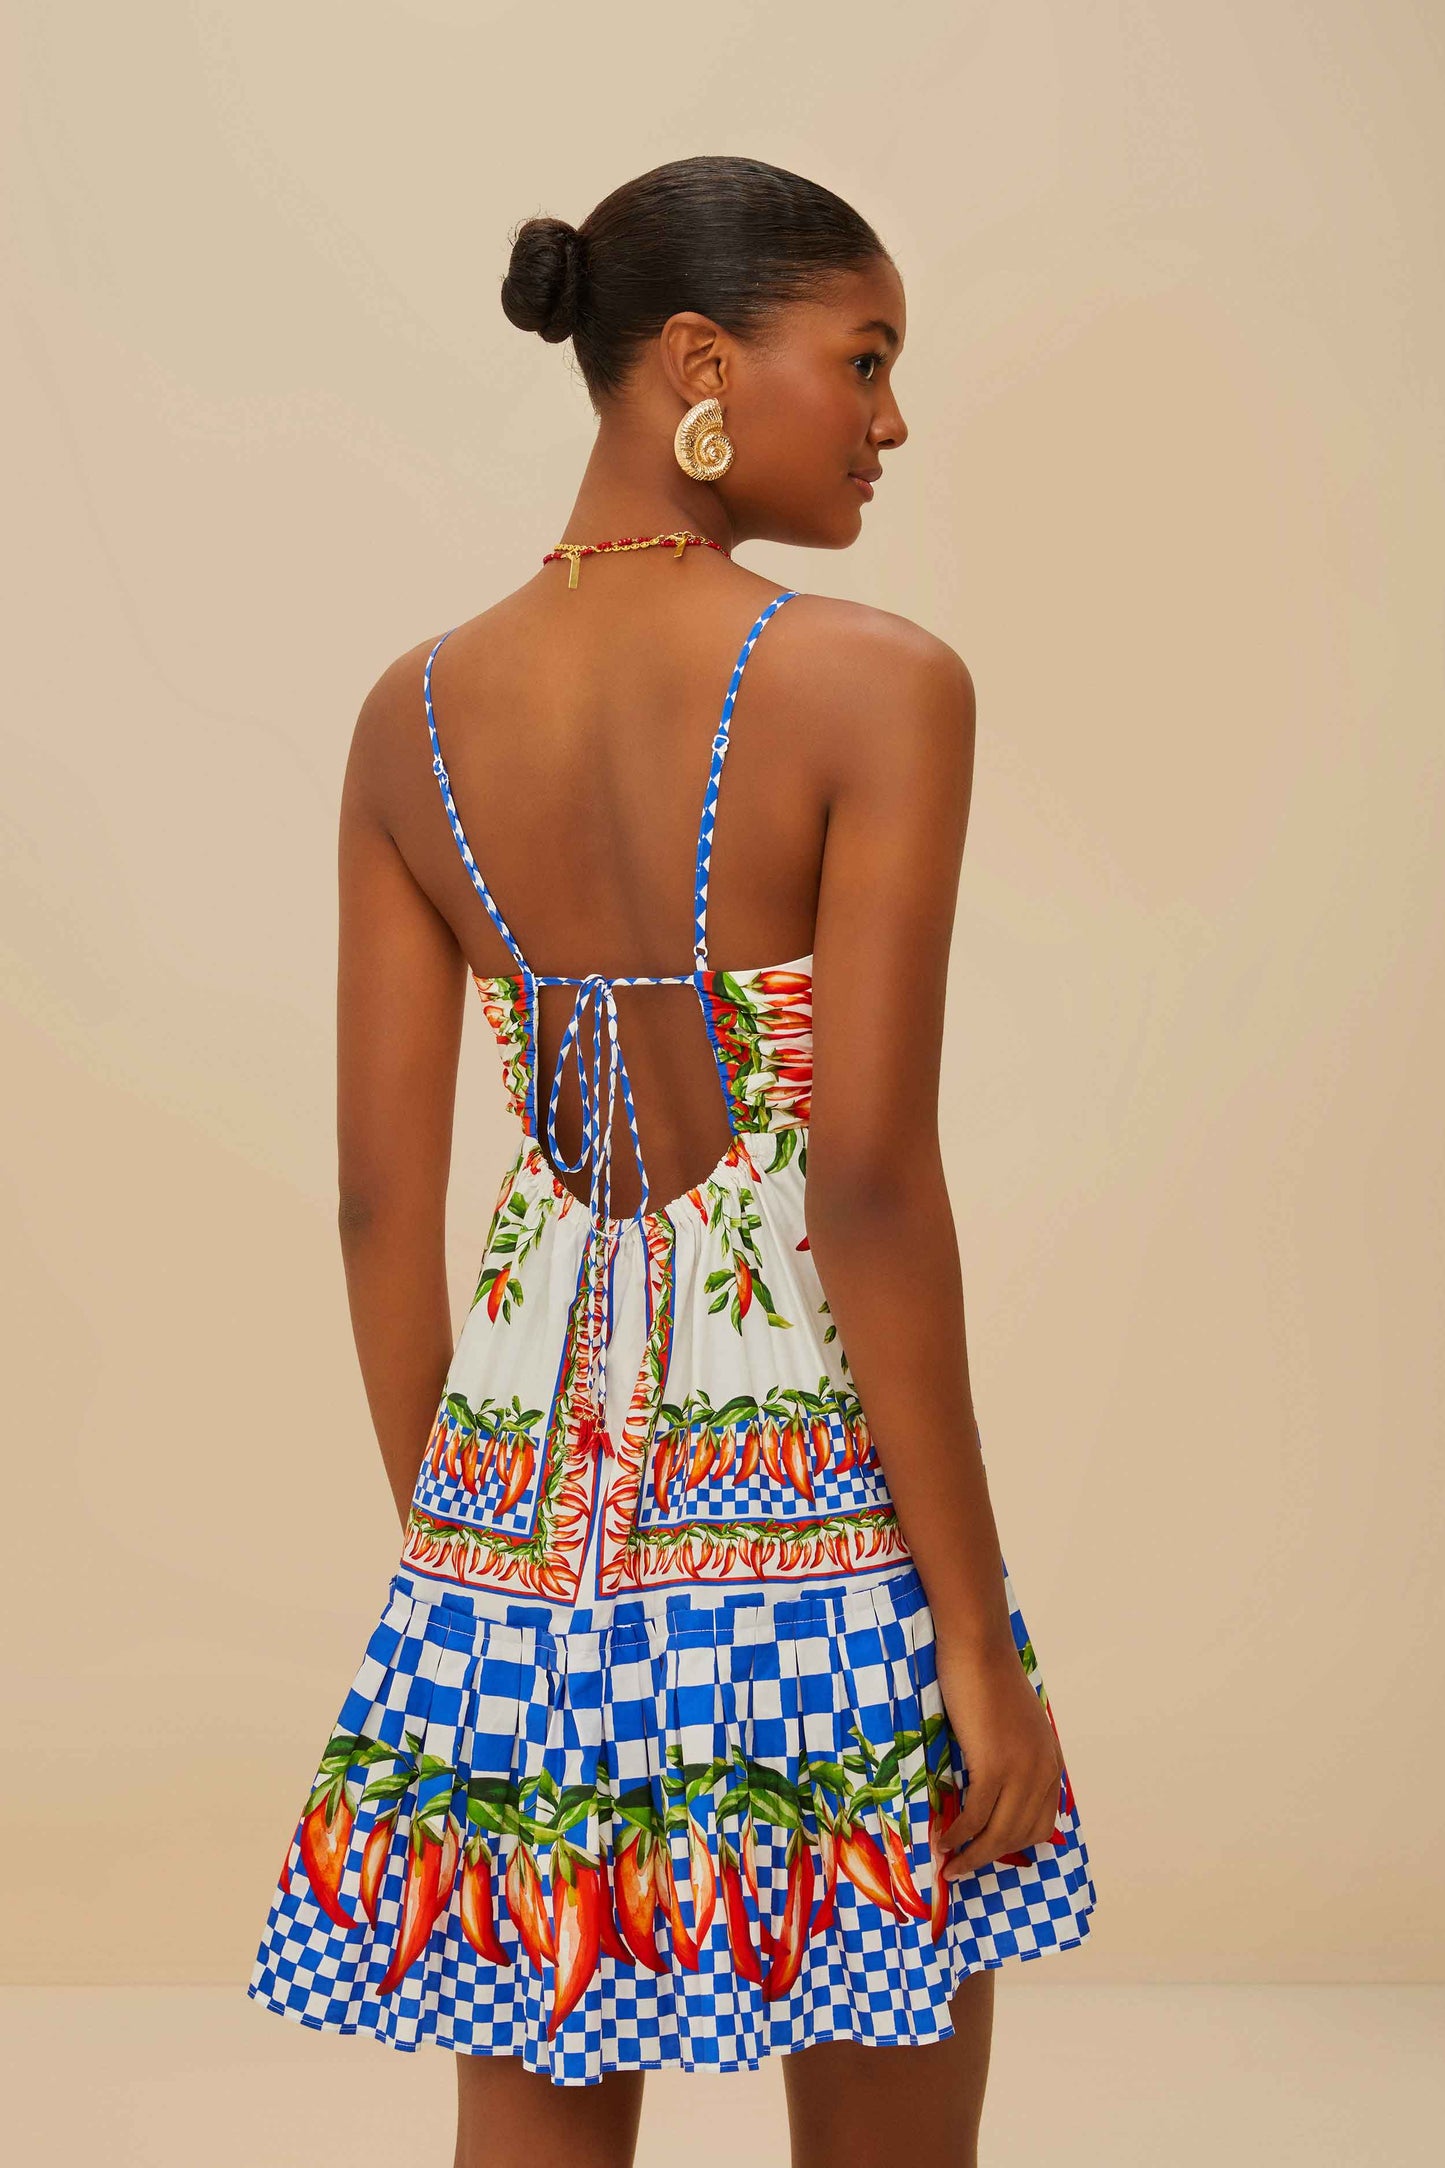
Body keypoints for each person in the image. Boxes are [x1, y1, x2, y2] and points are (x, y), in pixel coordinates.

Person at [248, 154, 1097, 2168]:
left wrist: (469, 1575)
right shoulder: (878, 686)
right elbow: (864, 1188)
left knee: (533, 2105)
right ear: (701, 363)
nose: (892, 418)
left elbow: (377, 1203)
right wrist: (971, 1637)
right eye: (863, 359)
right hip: (815, 1520)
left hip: (520, 1522)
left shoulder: (409, 718)